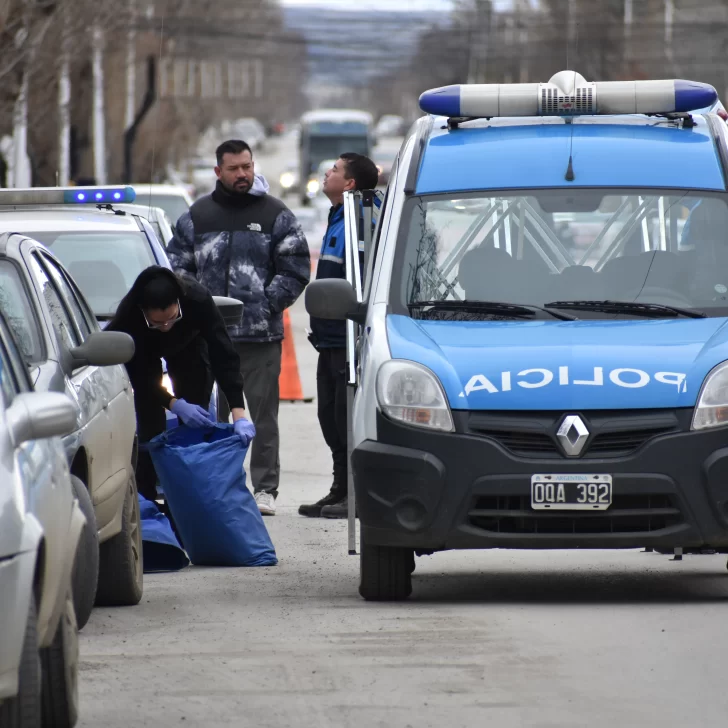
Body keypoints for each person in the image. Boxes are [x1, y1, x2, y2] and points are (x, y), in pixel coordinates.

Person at [167, 140, 310, 515]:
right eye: (234, 168)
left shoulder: (275, 215)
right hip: (203, 338)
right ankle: (216, 484)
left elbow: (295, 267)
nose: (243, 174)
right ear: (218, 172)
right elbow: (177, 269)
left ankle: (265, 490)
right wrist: (196, 314)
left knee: (262, 416)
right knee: (207, 415)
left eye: (247, 166)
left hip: (259, 336)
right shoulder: (196, 217)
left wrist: (267, 303)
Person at [107, 266, 256, 503]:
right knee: (149, 426)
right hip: (145, 357)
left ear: (179, 302)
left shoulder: (196, 299)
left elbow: (223, 354)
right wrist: (172, 403)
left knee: (197, 420)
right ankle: (146, 503)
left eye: (171, 318)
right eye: (158, 322)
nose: (166, 326)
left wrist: (239, 413)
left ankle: (191, 496)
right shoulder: (129, 318)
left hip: (189, 349)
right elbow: (140, 376)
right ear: (144, 311)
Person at [299, 153, 379, 519]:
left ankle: (355, 492)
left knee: (347, 418)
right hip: (329, 337)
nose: (327, 172)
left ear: (349, 183)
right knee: (329, 417)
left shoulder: (361, 220)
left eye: (334, 170)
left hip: (350, 337)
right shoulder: (337, 217)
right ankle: (339, 488)